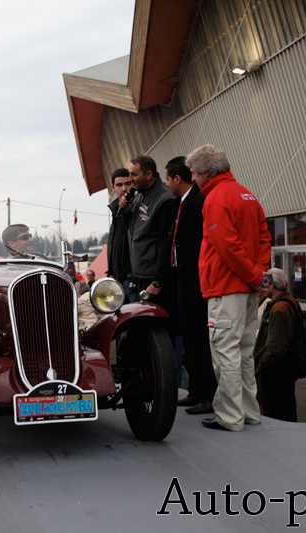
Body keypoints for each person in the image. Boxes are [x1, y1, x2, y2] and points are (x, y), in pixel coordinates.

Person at [187, 144, 270, 432]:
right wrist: (258, 274)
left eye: (194, 173)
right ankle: (249, 412)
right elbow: (263, 238)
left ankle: (230, 416)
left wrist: (253, 275)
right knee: (244, 352)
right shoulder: (247, 194)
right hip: (246, 287)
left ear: (206, 172)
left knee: (225, 352)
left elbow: (226, 247)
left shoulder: (215, 198)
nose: (193, 179)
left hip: (225, 287)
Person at [163, 156, 216, 415]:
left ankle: (207, 395)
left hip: (197, 282)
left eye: (167, 179)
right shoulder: (180, 203)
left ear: (177, 178)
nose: (166, 184)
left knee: (200, 339)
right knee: (190, 339)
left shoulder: (198, 201)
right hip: (182, 280)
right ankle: (195, 391)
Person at [119, 155, 175, 304]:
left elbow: (165, 243)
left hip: (153, 279)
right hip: (139, 276)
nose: (130, 179)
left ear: (149, 174)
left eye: (134, 174)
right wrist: (126, 213)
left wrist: (157, 281)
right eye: (129, 174)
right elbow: (133, 231)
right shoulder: (138, 196)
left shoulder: (164, 199)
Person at [253, 269, 299, 422]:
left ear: (272, 285)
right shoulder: (287, 302)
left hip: (276, 371)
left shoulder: (279, 307)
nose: (263, 286)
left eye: (265, 282)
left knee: (276, 412)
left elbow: (276, 345)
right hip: (283, 368)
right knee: (283, 409)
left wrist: (263, 363)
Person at [107, 168, 135, 301]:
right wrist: (111, 270)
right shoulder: (115, 210)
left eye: (128, 183)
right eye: (119, 185)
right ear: (113, 188)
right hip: (119, 281)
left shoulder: (139, 207)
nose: (124, 188)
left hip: (132, 280)